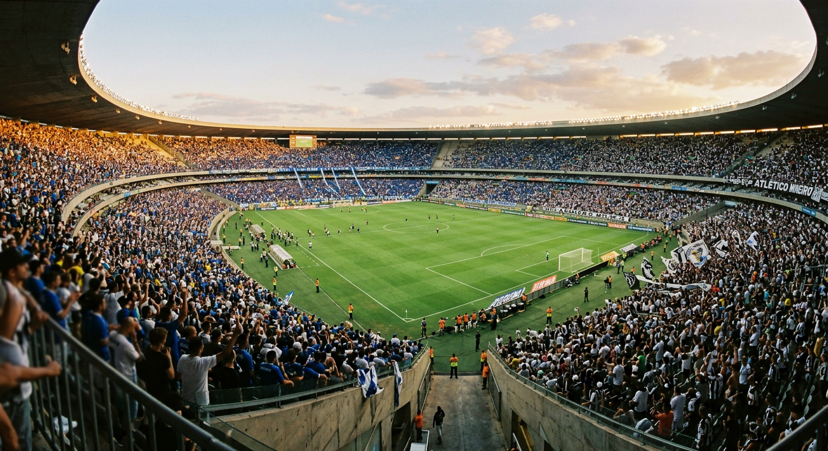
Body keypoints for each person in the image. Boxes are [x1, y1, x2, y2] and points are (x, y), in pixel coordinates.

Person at [177, 323, 241, 407]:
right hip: (201, 404)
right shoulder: (203, 362)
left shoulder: (182, 358)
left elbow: (178, 376)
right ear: (201, 348)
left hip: (186, 400)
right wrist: (235, 335)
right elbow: (225, 353)